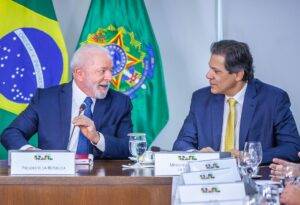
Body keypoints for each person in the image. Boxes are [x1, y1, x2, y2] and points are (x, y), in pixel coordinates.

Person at [173, 39, 300, 163]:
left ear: (238, 75)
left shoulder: (273, 99)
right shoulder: (201, 99)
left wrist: (250, 156)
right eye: (210, 68)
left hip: (253, 179)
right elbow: (181, 143)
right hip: (211, 177)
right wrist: (197, 155)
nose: (208, 75)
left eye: (216, 71)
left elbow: (292, 148)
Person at [0, 44, 133, 159]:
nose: (110, 77)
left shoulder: (120, 103)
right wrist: (31, 153)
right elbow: (11, 133)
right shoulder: (46, 99)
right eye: (102, 71)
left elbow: (129, 147)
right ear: (79, 74)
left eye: (110, 70)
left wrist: (97, 138)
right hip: (53, 179)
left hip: (99, 182)